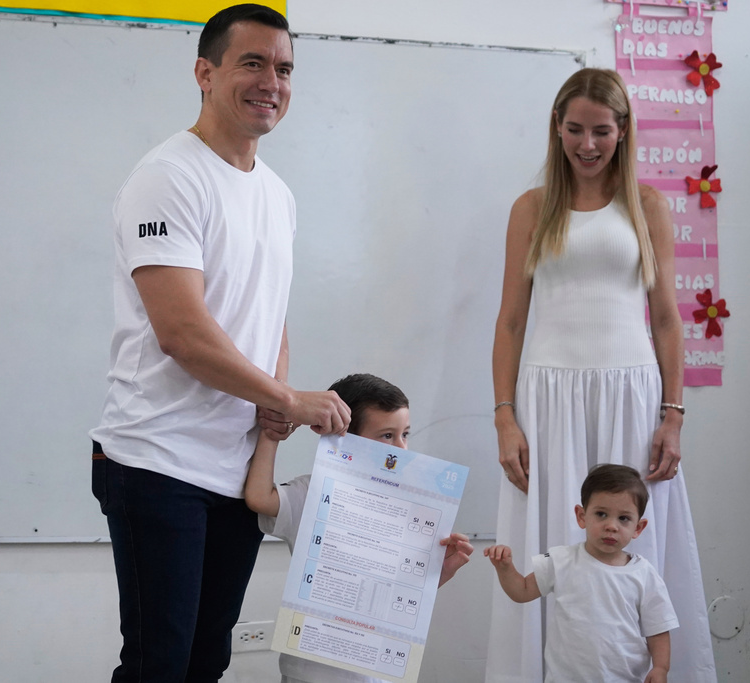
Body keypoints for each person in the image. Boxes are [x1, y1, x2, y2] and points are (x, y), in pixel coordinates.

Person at [89, 5, 352, 682]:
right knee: (159, 664)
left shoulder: (277, 195)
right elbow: (183, 334)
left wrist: (274, 409)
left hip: (234, 471)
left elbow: (270, 319)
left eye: (284, 69)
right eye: (253, 63)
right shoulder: (168, 177)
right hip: (158, 460)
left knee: (207, 661)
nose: (272, 82)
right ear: (205, 73)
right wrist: (288, 399)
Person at [486, 68, 715, 683]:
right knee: (551, 546)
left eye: (601, 132)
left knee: (630, 544)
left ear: (623, 130)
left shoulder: (648, 206)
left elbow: (666, 320)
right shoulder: (531, 208)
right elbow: (510, 322)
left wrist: (674, 414)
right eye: (575, 130)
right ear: (557, 128)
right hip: (546, 398)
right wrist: (505, 417)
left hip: (631, 395)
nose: (587, 145)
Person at [244, 373, 475, 683]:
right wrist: (273, 431)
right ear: (344, 436)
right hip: (311, 672)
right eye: (387, 436)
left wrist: (439, 572)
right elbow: (259, 497)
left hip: (377, 670)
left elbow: (398, 596)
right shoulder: (313, 492)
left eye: (405, 434)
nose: (401, 448)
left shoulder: (412, 511)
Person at [486, 465, 677, 683]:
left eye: (623, 518)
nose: (611, 526)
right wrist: (505, 568)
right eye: (601, 514)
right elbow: (522, 591)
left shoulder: (644, 574)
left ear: (638, 528)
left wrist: (661, 667)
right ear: (581, 516)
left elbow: (658, 627)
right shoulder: (560, 560)